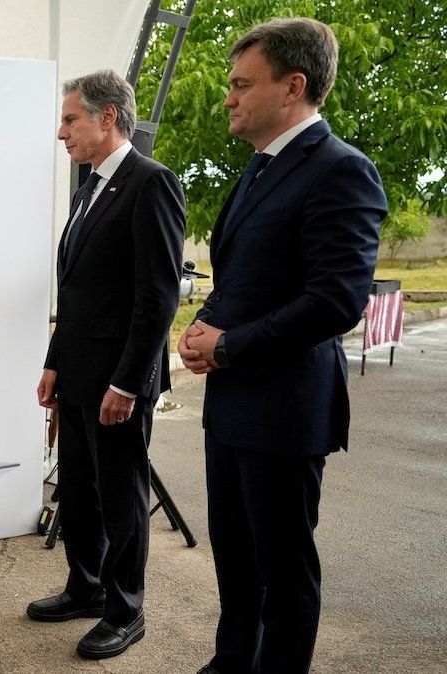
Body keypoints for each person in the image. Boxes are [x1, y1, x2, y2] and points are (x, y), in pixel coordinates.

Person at [178, 18, 386, 674]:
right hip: (232, 407)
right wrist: (203, 327)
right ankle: (230, 662)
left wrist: (230, 345)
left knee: (283, 574)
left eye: (242, 85)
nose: (228, 99)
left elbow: (336, 301)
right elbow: (243, 279)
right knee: (235, 561)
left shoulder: (342, 171)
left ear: (293, 86)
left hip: (284, 413)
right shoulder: (258, 171)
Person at [29, 70, 185, 659]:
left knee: (121, 496)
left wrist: (127, 380)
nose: (61, 132)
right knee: (79, 489)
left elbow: (158, 299)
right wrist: (55, 362)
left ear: (108, 117)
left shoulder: (151, 184)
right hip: (77, 373)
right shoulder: (88, 188)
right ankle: (86, 588)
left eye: (70, 119)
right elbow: (76, 292)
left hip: (119, 379)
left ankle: (125, 609)